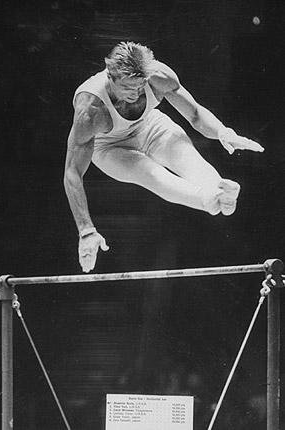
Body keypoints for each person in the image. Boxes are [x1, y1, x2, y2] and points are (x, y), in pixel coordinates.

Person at [64, 41, 264, 273]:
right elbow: (72, 173)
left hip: (148, 125)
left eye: (140, 86)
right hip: (109, 147)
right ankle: (210, 201)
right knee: (152, 175)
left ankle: (219, 194)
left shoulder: (158, 76)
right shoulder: (91, 109)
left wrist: (223, 132)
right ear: (110, 76)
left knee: (186, 155)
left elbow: (196, 114)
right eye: (128, 87)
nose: (136, 93)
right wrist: (86, 230)